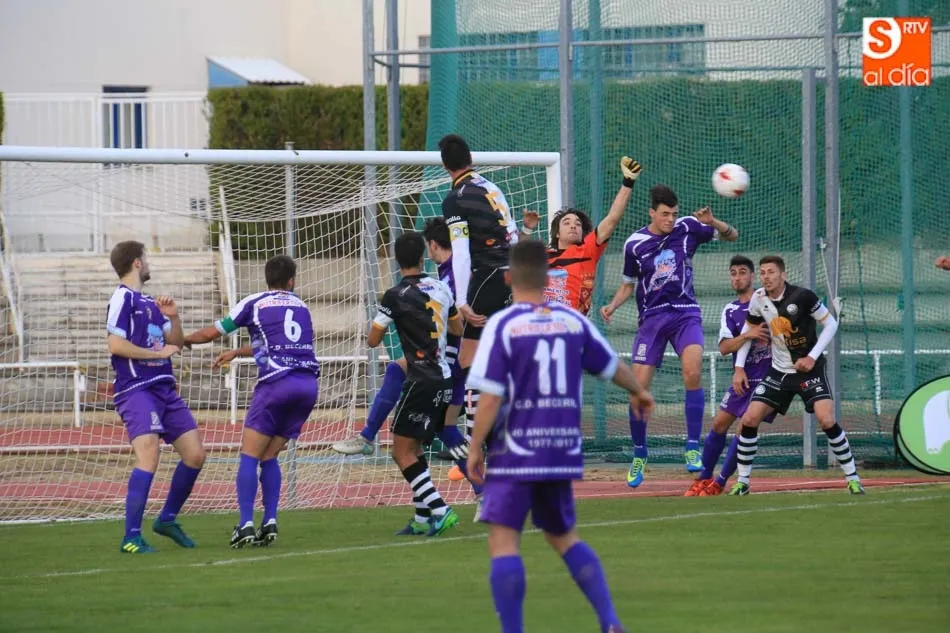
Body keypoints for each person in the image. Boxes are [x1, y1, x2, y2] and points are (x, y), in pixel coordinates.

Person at [466, 239, 653, 633]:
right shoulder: (573, 321)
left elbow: (490, 395)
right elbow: (610, 364)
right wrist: (638, 390)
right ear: (548, 276)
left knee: (504, 541)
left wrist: (474, 448)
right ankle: (610, 622)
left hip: (516, 448)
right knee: (563, 536)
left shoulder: (503, 324)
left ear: (507, 278)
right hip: (562, 449)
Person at [331, 218, 483, 508]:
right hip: (446, 357)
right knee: (438, 429)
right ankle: (464, 499)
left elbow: (456, 326)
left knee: (434, 431)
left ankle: (366, 438)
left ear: (433, 246)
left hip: (449, 360)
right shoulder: (445, 277)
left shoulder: (452, 277)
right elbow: (456, 323)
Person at [600, 185, 738, 487]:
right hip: (652, 318)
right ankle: (639, 453)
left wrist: (712, 222)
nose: (670, 219)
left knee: (692, 371)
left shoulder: (688, 227)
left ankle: (691, 446)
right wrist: (611, 306)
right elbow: (628, 285)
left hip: (685, 312)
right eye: (665, 214)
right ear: (652, 212)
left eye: (674, 214)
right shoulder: (635, 244)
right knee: (638, 389)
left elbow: (732, 235)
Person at [184, 255, 320, 547]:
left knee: (249, 456)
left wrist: (183, 339)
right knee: (269, 456)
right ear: (292, 281)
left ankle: (245, 524)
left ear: (267, 278)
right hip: (307, 386)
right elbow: (281, 341)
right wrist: (238, 352)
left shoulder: (255, 302)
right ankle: (269, 520)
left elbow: (212, 332)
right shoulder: (301, 306)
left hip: (277, 385)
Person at [728, 255, 865, 495]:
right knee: (749, 420)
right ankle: (743, 483)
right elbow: (749, 332)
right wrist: (739, 367)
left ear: (783, 274)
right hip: (779, 371)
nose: (766, 277)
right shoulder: (758, 300)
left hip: (808, 370)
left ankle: (853, 478)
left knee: (826, 420)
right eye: (762, 273)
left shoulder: (803, 296)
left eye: (771, 272)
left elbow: (831, 324)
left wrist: (812, 356)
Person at [106, 240, 206, 554]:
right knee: (149, 454)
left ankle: (166, 519)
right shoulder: (122, 298)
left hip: (165, 389)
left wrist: (173, 318)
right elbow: (116, 346)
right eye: (145, 258)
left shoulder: (150, 303)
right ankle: (131, 537)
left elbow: (175, 343)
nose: (148, 264)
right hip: (137, 390)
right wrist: (155, 351)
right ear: (136, 262)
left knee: (195, 455)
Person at [370, 231, 463, 536]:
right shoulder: (441, 287)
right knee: (416, 448)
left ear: (397, 261)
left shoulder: (394, 295)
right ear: (423, 255)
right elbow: (457, 326)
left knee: (401, 451)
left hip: (420, 379)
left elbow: (373, 341)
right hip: (444, 377)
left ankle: (440, 508)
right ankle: (423, 518)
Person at [439, 134, 518, 444]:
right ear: (469, 158)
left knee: (468, 360)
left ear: (445, 165)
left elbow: (461, 251)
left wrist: (461, 300)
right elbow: (511, 234)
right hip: (513, 274)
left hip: (487, 276)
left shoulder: (455, 198)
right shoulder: (491, 187)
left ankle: (478, 446)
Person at [684, 255, 775, 496]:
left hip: (769, 378)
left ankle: (720, 482)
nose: (738, 277)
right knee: (718, 423)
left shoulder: (768, 303)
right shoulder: (731, 309)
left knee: (745, 425)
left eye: (742, 272)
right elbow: (724, 348)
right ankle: (703, 478)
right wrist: (747, 336)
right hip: (743, 377)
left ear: (752, 276)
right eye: (733, 273)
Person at [521, 156, 642, 316]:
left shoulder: (587, 250)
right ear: (557, 232)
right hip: (542, 324)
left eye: (578, 224)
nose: (573, 225)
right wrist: (527, 228)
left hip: (573, 325)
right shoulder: (543, 255)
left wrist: (628, 182)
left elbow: (612, 219)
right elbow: (519, 254)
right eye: (567, 222)